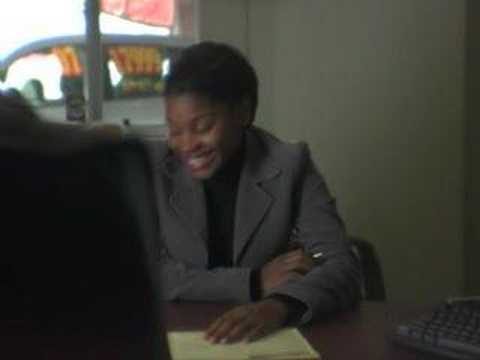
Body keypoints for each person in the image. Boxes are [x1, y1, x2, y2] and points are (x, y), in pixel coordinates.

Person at [154, 41, 362, 343]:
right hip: (176, 336)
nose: (187, 145)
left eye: (203, 126)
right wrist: (254, 282)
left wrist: (278, 306)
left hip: (267, 341)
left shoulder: (291, 164)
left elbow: (342, 266)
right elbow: (144, 275)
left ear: (244, 111)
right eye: (174, 130)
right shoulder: (152, 168)